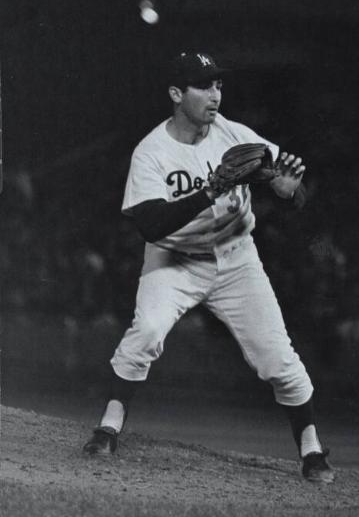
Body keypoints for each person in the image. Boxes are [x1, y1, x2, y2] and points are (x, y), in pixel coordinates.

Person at [83, 52, 333, 483]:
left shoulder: (233, 135)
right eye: (203, 86)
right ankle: (109, 425)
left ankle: (311, 449)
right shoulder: (152, 152)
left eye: (218, 84)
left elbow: (297, 191)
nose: (215, 94)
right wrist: (208, 192)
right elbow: (149, 225)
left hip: (236, 259)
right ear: (177, 94)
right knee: (146, 332)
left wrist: (289, 191)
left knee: (277, 358)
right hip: (173, 259)